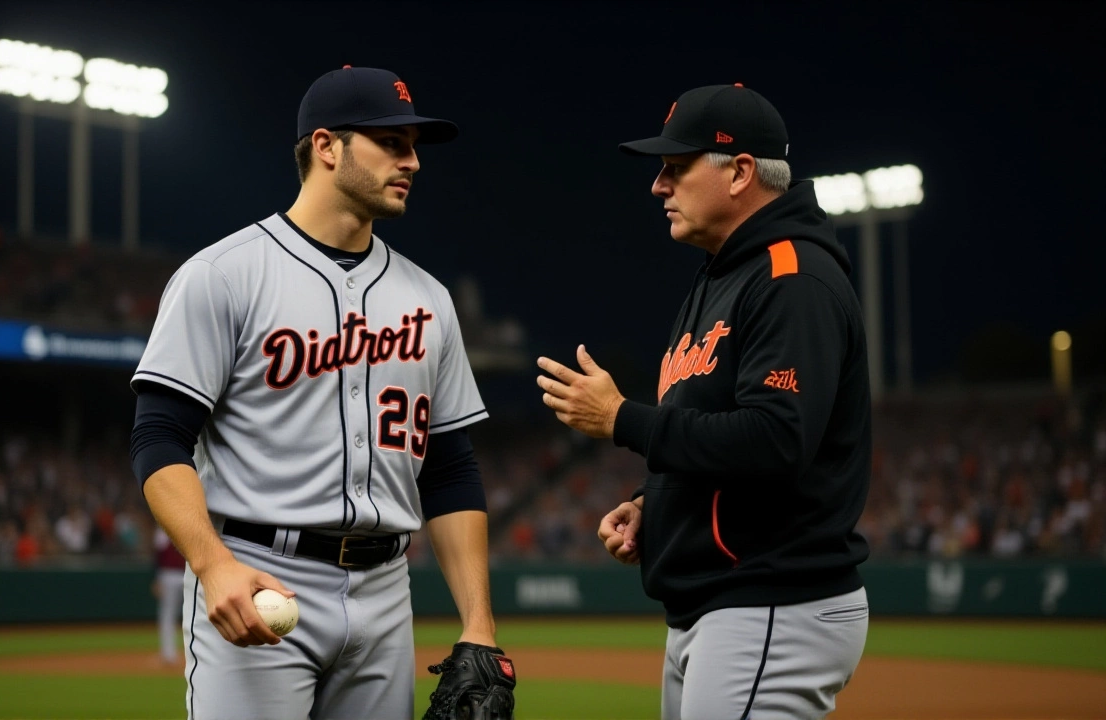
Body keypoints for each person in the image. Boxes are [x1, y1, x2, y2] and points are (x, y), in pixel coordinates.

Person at [130, 66, 515, 720]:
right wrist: (212, 562)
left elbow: (450, 470)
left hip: (387, 589)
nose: (413, 161)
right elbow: (159, 435)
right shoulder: (224, 276)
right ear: (326, 146)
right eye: (392, 143)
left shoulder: (430, 299)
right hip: (260, 574)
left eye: (415, 146)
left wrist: (478, 620)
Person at [536, 83, 872, 719]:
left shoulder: (791, 277)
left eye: (675, 167)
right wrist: (652, 504)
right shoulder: (721, 276)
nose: (658, 187)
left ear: (741, 171)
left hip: (772, 598)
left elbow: (776, 440)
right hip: (722, 602)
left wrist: (620, 419)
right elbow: (714, 428)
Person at [153, 525, 186, 666]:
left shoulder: (162, 530)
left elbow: (156, 558)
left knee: (168, 617)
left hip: (170, 576)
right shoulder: (186, 526)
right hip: (184, 576)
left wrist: (156, 578)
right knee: (190, 616)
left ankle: (169, 654)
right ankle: (171, 654)